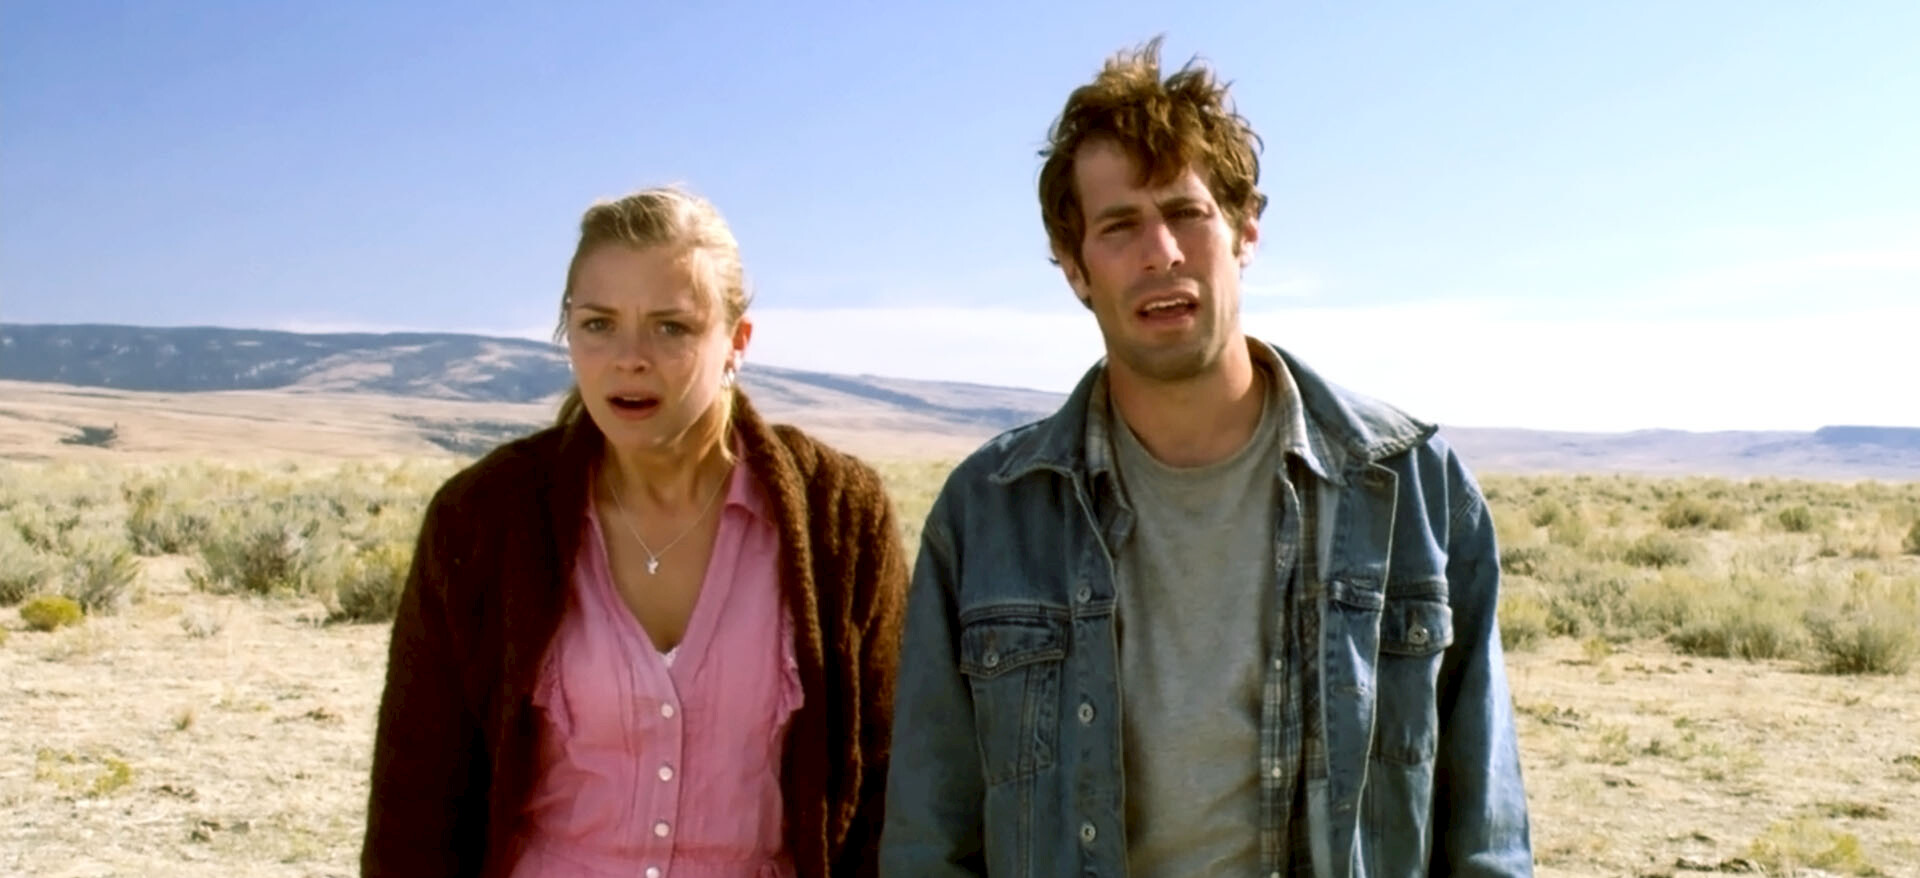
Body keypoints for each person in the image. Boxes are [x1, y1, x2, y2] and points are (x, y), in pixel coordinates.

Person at [878, 37, 1533, 878]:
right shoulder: (990, 513)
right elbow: (931, 841)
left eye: (1186, 213)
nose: (1161, 252)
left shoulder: (1411, 488)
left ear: (1245, 230)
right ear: (1075, 268)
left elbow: (1485, 835)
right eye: (1119, 226)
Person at [361, 185, 909, 878]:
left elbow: (889, 787)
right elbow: (416, 806)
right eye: (598, 324)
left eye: (670, 327)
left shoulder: (841, 517)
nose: (629, 358)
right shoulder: (482, 518)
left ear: (736, 341)